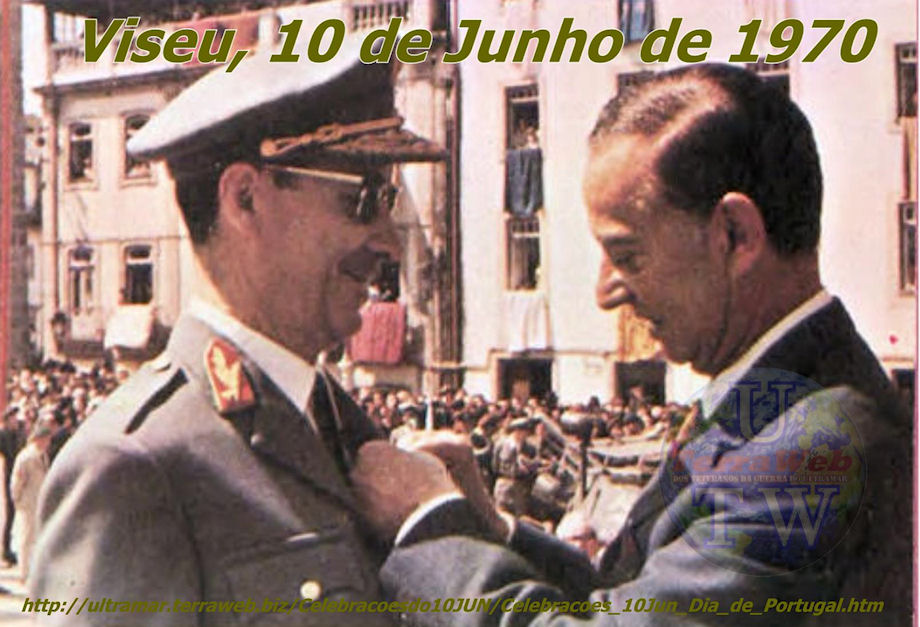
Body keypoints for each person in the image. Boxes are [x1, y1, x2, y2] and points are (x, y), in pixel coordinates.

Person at [350, 64, 912, 625]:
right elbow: (634, 595)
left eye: (629, 257)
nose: (606, 293)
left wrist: (429, 524)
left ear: (735, 235)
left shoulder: (812, 450)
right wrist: (491, 528)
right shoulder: (789, 397)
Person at [30, 35, 443, 625]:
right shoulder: (132, 465)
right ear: (245, 198)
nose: (388, 241)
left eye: (390, 200)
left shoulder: (339, 425)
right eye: (363, 201)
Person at [11, 415, 53, 581]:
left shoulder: (43, 456)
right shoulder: (26, 457)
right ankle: (24, 571)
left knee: (36, 537)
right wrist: (17, 499)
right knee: (26, 538)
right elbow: (17, 480)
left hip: (38, 500)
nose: (48, 442)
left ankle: (33, 570)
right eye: (46, 439)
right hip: (28, 502)